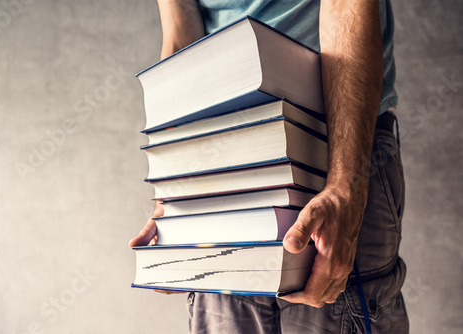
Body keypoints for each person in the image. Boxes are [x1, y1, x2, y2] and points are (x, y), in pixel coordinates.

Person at [130, 0, 409, 332]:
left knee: (334, 299)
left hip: (342, 139)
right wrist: (177, 193)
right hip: (224, 154)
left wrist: (345, 186)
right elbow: (181, 40)